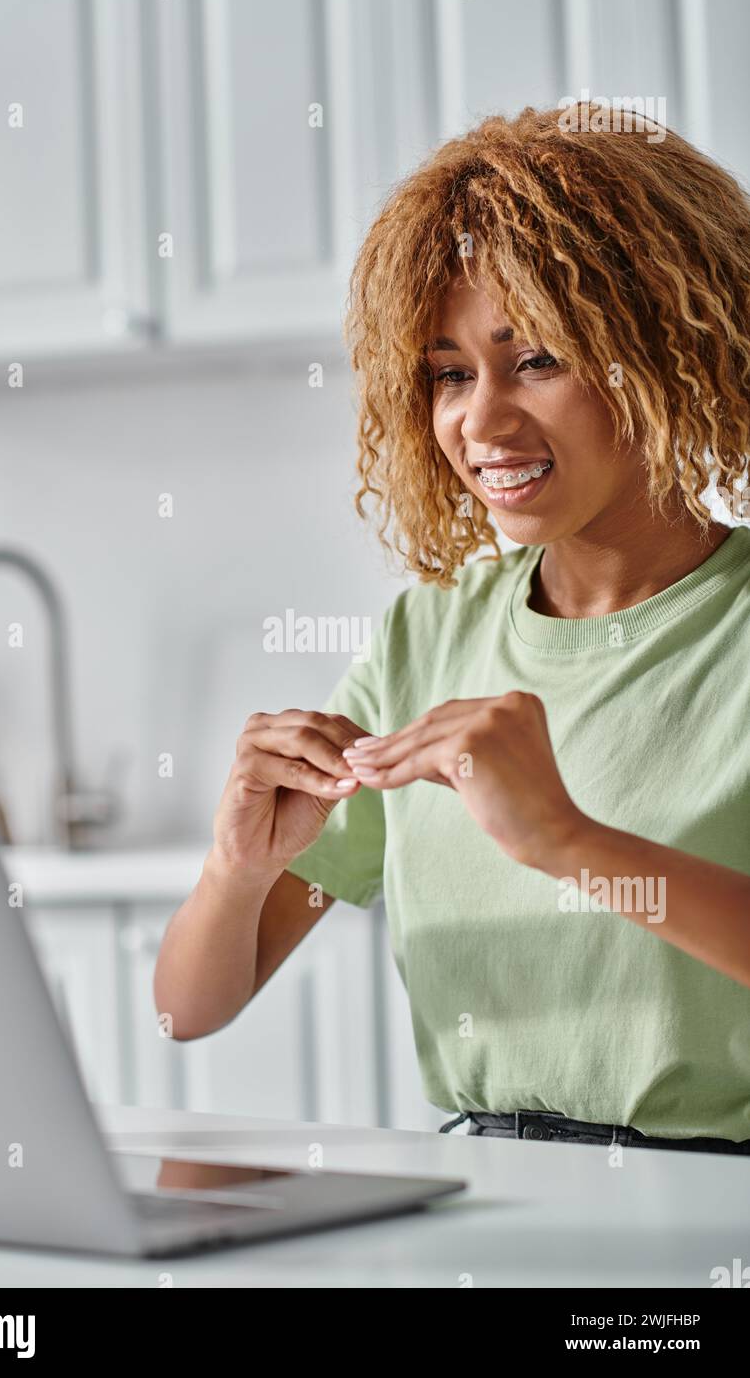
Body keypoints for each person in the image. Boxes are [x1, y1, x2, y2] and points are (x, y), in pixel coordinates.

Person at [155, 105, 750, 1153]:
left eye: (536, 361)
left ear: (664, 351)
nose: (478, 421)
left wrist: (566, 841)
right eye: (447, 372)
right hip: (481, 1191)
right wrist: (235, 868)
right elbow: (186, 1011)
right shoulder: (421, 640)